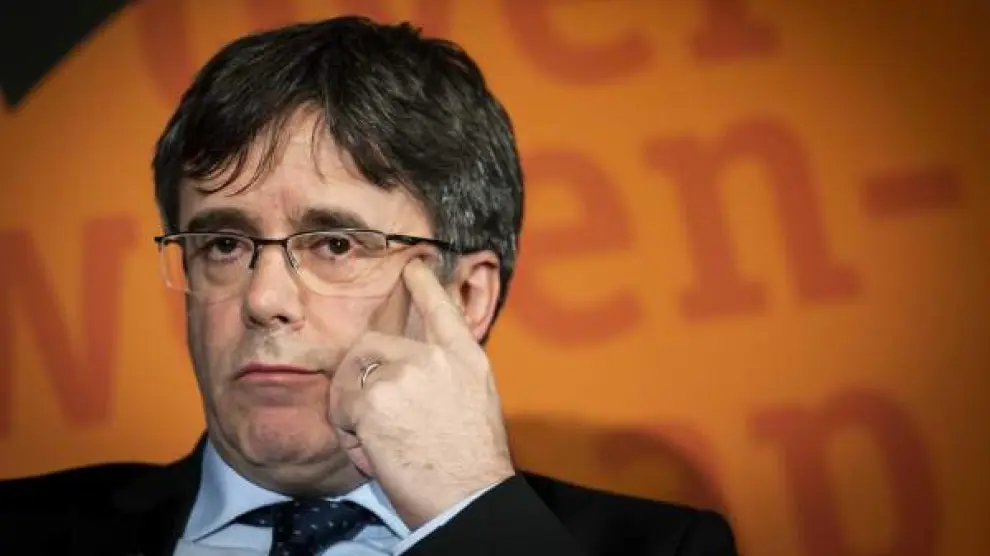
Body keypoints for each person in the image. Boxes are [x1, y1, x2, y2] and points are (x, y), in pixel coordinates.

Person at [0, 15, 738, 556]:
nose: (263, 300)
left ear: (466, 297)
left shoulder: (659, 547)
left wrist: (472, 512)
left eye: (335, 244)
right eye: (224, 244)